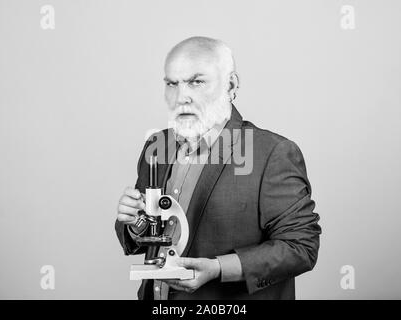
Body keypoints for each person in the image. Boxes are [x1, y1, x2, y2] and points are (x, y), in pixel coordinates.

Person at [115, 36, 321, 300]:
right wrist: (136, 223)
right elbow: (152, 232)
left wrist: (218, 268)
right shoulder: (158, 145)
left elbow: (301, 247)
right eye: (172, 84)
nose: (182, 97)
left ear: (231, 85)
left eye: (196, 82)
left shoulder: (272, 153)